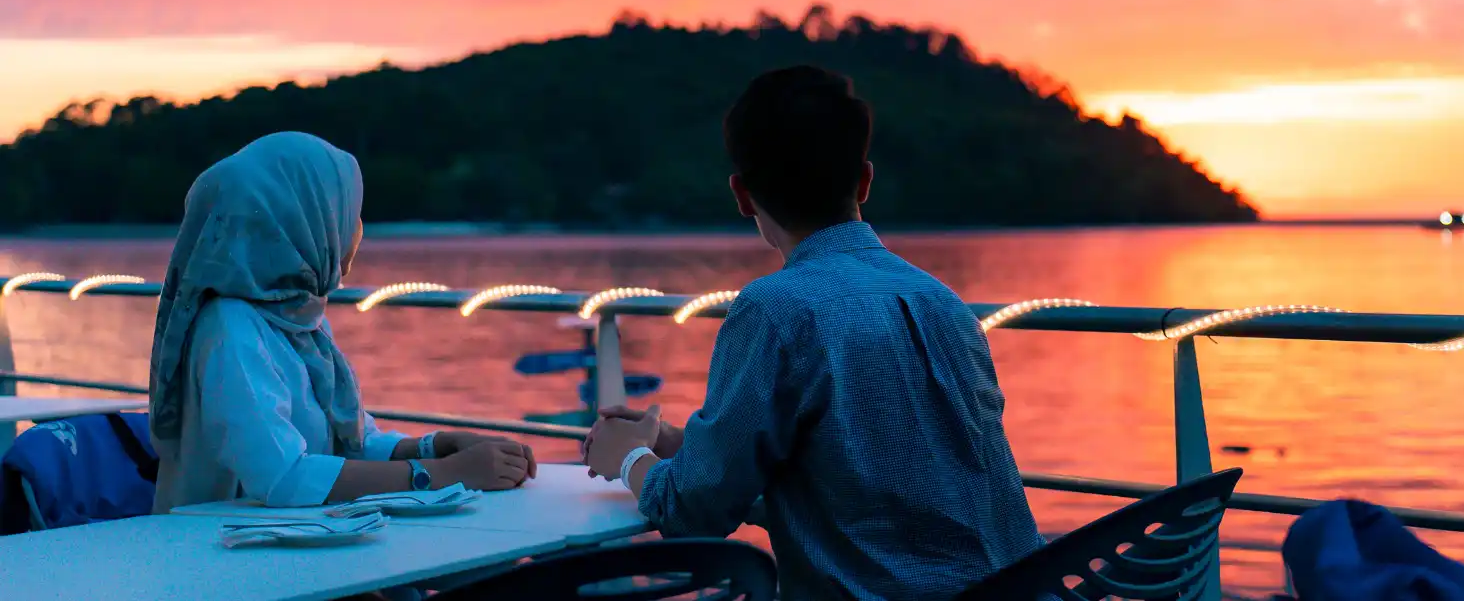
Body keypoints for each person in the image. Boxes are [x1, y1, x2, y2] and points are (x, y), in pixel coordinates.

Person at [584, 66, 1042, 601]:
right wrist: (678, 447)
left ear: (742, 195)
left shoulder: (774, 310)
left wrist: (627, 459)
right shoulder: (943, 303)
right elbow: (854, 481)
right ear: (864, 181)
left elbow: (692, 513)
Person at [149, 131, 537, 513]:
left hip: (296, 542)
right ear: (300, 218)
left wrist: (436, 446)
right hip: (225, 554)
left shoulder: (296, 318)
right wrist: (445, 474)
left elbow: (351, 442)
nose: (353, 228)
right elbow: (284, 478)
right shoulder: (230, 327)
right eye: (343, 211)